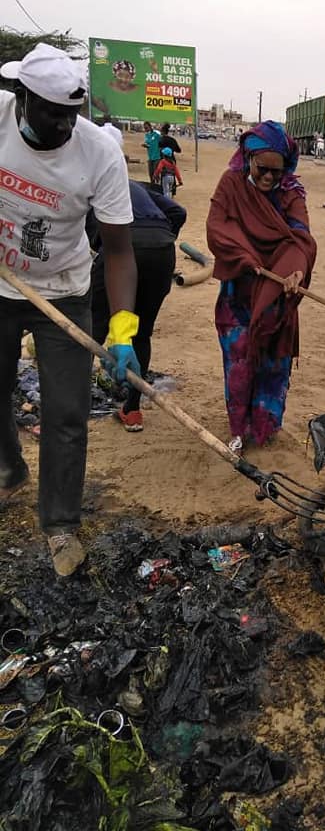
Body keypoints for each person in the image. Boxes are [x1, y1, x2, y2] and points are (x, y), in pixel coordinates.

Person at [0, 43, 138, 576]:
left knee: (67, 413)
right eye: (51, 111)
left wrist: (122, 328)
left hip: (63, 287)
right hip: (2, 283)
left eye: (71, 114)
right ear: (22, 96)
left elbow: (120, 250)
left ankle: (59, 524)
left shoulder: (98, 154)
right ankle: (9, 466)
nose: (62, 125)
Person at [206, 121, 317, 454]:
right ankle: (239, 428)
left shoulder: (291, 193)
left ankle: (264, 426)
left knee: (273, 361)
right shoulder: (231, 184)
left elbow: (301, 238)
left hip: (277, 294)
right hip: (238, 292)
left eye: (277, 171)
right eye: (262, 169)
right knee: (239, 361)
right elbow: (217, 227)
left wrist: (296, 270)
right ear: (247, 158)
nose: (269, 178)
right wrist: (244, 258)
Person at [90, 181, 186, 433]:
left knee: (94, 328)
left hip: (121, 246)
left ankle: (68, 409)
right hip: (161, 250)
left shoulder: (91, 182)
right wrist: (160, 239)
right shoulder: (139, 187)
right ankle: (132, 411)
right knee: (141, 333)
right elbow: (179, 213)